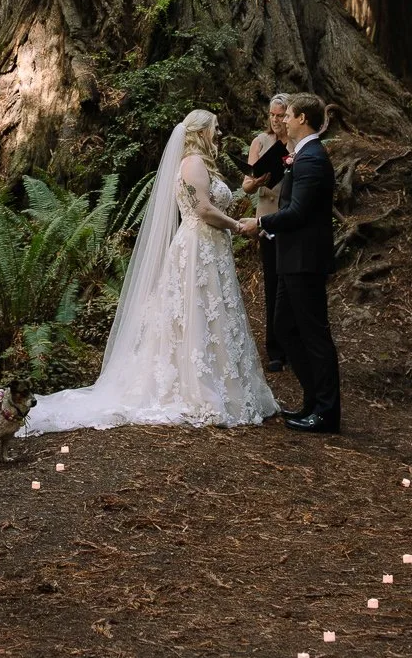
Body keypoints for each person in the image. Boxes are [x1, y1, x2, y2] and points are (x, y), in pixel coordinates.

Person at [23, 111, 279, 432]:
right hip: (198, 247)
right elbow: (202, 208)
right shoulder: (193, 163)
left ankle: (220, 378)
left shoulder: (199, 162)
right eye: (215, 128)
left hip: (209, 246)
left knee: (211, 309)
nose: (220, 132)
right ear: (200, 131)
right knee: (196, 309)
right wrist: (238, 225)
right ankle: (199, 386)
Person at [249, 93, 340, 433]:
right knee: (285, 327)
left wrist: (259, 223)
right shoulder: (301, 156)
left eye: (288, 115)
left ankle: (327, 412)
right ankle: (313, 399)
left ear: (302, 118)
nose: (282, 120)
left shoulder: (313, 158)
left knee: (315, 335)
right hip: (291, 258)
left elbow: (299, 212)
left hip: (305, 260)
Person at [241, 93, 291, 370]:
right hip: (267, 216)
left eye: (280, 115)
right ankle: (275, 349)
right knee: (272, 281)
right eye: (272, 114)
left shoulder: (295, 142)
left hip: (290, 216)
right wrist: (256, 180)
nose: (276, 119)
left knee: (291, 281)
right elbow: (247, 185)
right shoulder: (260, 142)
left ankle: (293, 343)